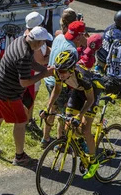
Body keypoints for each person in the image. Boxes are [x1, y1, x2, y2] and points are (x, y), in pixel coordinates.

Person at [0, 27, 54, 166]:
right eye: (43, 42)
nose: (44, 45)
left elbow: (32, 63)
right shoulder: (24, 55)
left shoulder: (20, 40)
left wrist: (44, 69)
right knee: (21, 122)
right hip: (8, 93)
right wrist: (44, 74)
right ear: (38, 42)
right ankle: (20, 156)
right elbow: (25, 82)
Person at [41, 51, 101, 179]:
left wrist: (79, 115)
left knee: (85, 129)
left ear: (72, 69)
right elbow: (57, 90)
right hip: (78, 92)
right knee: (68, 125)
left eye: (63, 71)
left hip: (92, 94)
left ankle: (93, 160)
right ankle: (80, 143)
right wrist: (47, 109)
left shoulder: (82, 76)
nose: (59, 74)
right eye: (58, 70)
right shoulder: (59, 73)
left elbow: (89, 100)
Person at [41, 20, 88, 148]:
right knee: (64, 113)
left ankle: (45, 139)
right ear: (79, 36)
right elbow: (70, 75)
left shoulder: (59, 37)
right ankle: (60, 141)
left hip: (49, 80)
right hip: (61, 83)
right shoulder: (72, 51)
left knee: (52, 108)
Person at [22, 12, 50, 139]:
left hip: (33, 72)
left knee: (30, 99)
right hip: (34, 73)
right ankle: (27, 121)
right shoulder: (35, 41)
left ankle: (28, 119)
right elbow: (40, 61)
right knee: (30, 98)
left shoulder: (30, 35)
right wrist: (52, 56)